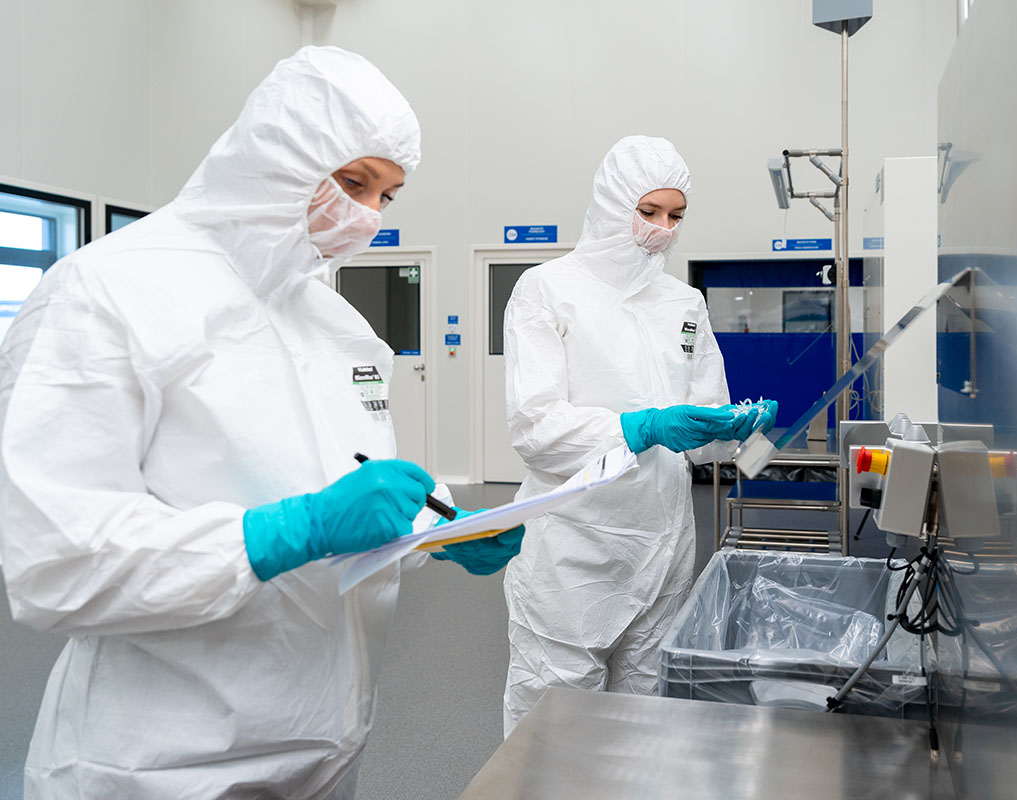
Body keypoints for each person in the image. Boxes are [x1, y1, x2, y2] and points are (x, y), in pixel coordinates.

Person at [0, 46, 521, 799]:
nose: (369, 215)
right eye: (354, 183)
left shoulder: (336, 324)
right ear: (280, 155)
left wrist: (435, 525)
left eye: (388, 195)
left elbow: (342, 490)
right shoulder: (108, 291)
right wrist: (277, 533)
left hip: (326, 739)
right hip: (165, 764)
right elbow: (54, 558)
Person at [500, 135, 777, 735]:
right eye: (648, 212)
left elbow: (703, 424)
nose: (663, 229)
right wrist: (641, 427)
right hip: (573, 548)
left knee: (644, 723)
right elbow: (535, 427)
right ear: (610, 205)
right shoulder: (546, 289)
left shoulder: (683, 301)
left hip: (662, 545)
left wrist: (735, 428)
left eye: (676, 216)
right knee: (555, 729)